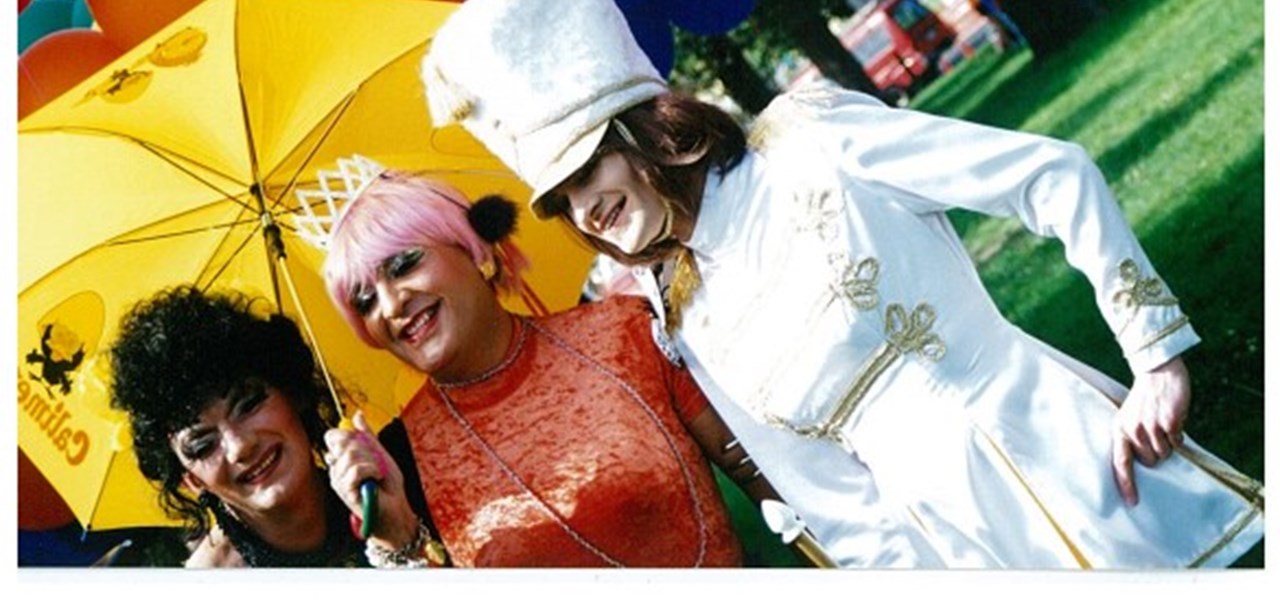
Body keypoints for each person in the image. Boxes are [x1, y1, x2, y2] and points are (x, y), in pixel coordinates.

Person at [419, 0, 1265, 568]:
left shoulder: (812, 144)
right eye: (559, 198)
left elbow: (1053, 176)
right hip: (954, 558)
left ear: (645, 127)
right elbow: (839, 503)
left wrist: (1156, 356)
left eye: (585, 167)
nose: (584, 209)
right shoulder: (689, 314)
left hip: (1078, 465)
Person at [305, 155, 759, 567]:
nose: (389, 304)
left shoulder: (623, 330)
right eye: (363, 301)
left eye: (404, 264)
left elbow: (757, 468)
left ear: (473, 248)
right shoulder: (397, 460)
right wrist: (397, 537)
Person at [108, 286, 432, 568]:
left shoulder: (418, 466)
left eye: (248, 405)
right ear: (191, 480)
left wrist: (400, 530)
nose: (240, 446)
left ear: (293, 393)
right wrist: (400, 553)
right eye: (203, 445)